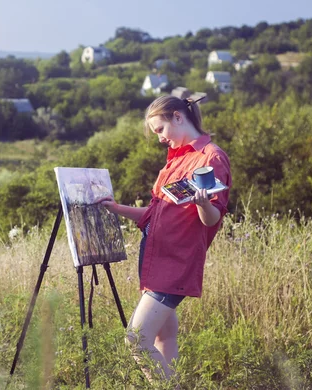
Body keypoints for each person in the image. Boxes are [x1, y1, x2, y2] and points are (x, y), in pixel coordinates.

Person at [98, 95, 232, 381]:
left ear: (178, 117)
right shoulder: (177, 158)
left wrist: (202, 203)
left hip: (176, 264)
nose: (159, 138)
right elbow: (154, 215)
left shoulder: (211, 157)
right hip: (154, 260)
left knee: (136, 339)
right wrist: (117, 208)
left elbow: (212, 219)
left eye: (160, 129)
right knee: (164, 338)